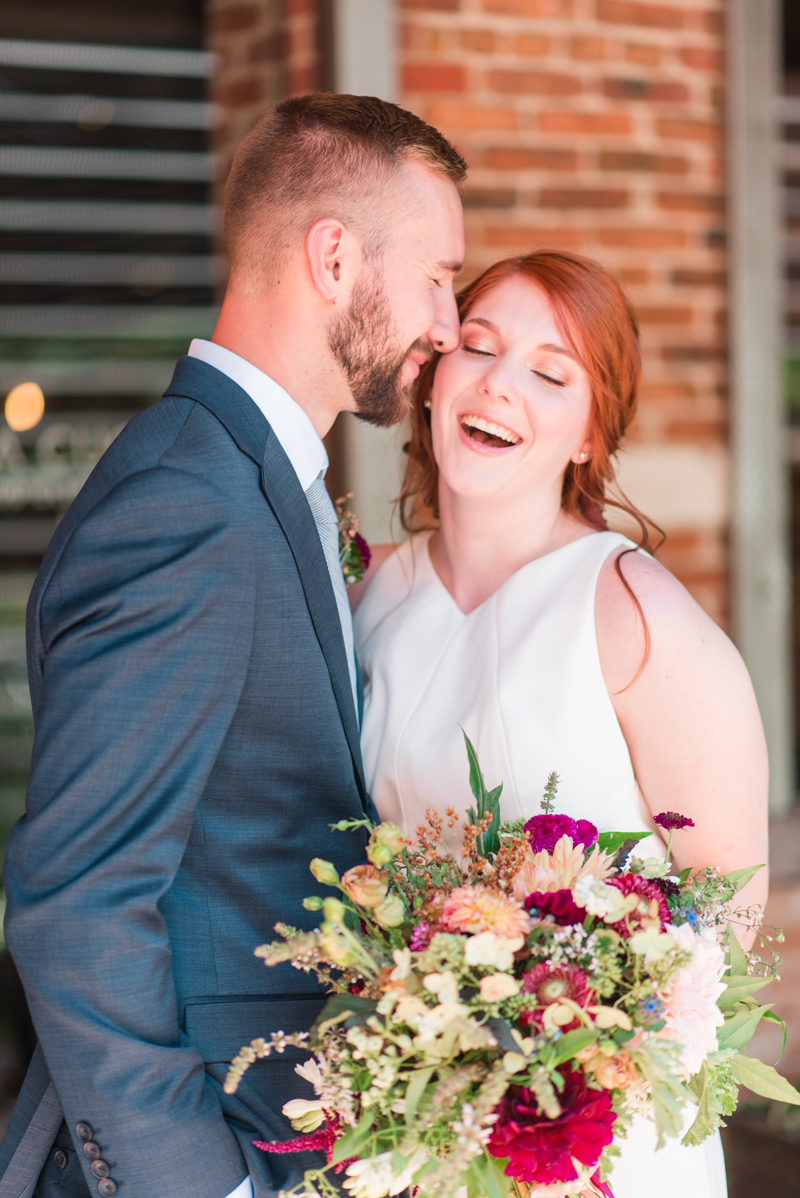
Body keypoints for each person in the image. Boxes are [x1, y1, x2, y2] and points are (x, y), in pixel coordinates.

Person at [0, 94, 465, 1198]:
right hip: (209, 1146)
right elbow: (76, 898)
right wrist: (202, 1185)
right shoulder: (186, 501)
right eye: (438, 275)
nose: (447, 322)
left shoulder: (256, 477)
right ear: (334, 256)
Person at [351, 250, 769, 1198]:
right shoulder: (375, 597)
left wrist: (574, 1062)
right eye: (478, 347)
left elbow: (726, 930)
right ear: (432, 379)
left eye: (551, 372)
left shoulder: (635, 615)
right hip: (414, 1132)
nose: (500, 384)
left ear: (589, 433)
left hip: (594, 1151)